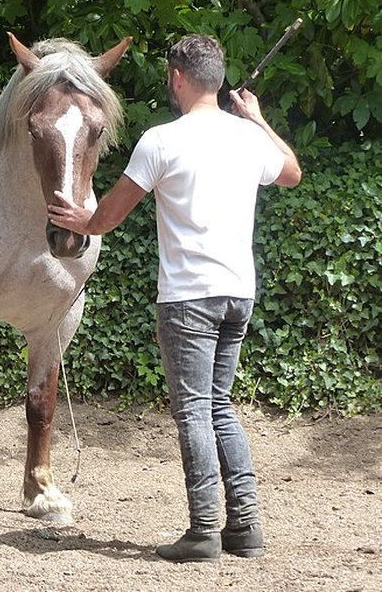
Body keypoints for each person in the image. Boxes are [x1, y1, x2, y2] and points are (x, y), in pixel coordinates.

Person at [47, 34, 301, 563]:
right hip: (238, 292)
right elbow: (292, 172)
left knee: (193, 411)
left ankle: (205, 529)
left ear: (179, 78)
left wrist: (82, 223)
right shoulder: (248, 138)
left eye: (169, 75)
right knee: (220, 406)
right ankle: (245, 526)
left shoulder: (161, 140)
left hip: (188, 297)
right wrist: (255, 119)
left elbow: (112, 213)